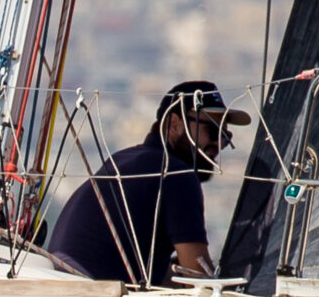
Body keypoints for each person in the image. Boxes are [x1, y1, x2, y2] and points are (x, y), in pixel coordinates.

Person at [49, 80, 250, 286]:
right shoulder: (175, 173)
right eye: (213, 131)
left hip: (63, 285)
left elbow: (167, 277)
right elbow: (198, 277)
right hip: (93, 296)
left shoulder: (125, 159)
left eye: (225, 136)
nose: (218, 144)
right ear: (174, 125)